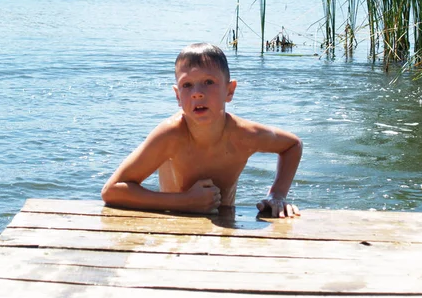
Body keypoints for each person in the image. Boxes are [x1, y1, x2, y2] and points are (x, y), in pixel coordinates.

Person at [101, 42, 302, 218]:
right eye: (187, 85)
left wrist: (277, 194)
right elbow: (112, 191)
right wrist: (184, 201)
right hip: (175, 223)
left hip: (226, 222)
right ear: (178, 96)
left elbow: (292, 145)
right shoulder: (171, 135)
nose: (197, 94)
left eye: (208, 82)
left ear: (229, 90)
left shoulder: (243, 135)